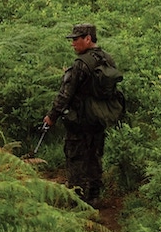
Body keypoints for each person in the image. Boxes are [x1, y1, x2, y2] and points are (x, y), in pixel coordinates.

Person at [43, 23, 117, 207]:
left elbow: (65, 95)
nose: (73, 44)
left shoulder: (80, 64)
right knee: (94, 157)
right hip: (99, 119)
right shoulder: (108, 59)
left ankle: (76, 201)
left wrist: (51, 117)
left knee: (75, 158)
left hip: (79, 121)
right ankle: (94, 197)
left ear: (88, 39)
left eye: (76, 39)